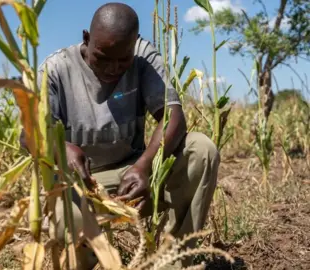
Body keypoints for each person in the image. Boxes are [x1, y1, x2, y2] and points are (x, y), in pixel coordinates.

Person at [22, 2, 220, 269]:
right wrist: (61, 148)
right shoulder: (55, 70)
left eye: (123, 59)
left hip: (134, 177)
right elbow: (28, 135)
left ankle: (174, 261)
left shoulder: (143, 57)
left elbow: (172, 115)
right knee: (65, 221)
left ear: (134, 44)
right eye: (102, 57)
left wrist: (144, 165)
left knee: (201, 149)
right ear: (86, 38)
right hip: (81, 185)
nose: (113, 68)